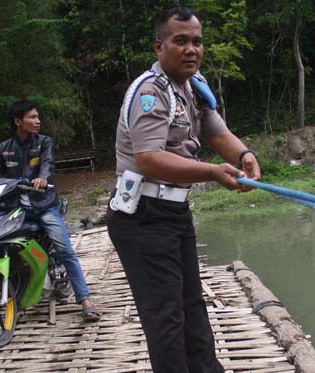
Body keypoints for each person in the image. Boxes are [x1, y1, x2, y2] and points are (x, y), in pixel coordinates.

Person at [106, 6, 260, 372]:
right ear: (160, 47)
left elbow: (217, 133)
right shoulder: (150, 92)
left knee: (192, 306)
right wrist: (212, 171)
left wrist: (245, 154)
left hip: (174, 213)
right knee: (166, 320)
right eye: (181, 41)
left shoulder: (193, 87)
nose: (192, 49)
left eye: (197, 41)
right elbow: (149, 159)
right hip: (142, 218)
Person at [0, 99, 100, 322]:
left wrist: (42, 179)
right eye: (32, 117)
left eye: (38, 117)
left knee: (65, 250)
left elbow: (47, 164)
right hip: (13, 208)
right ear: (18, 121)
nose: (38, 121)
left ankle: (85, 300)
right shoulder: (3, 149)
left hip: (43, 205)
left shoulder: (44, 142)